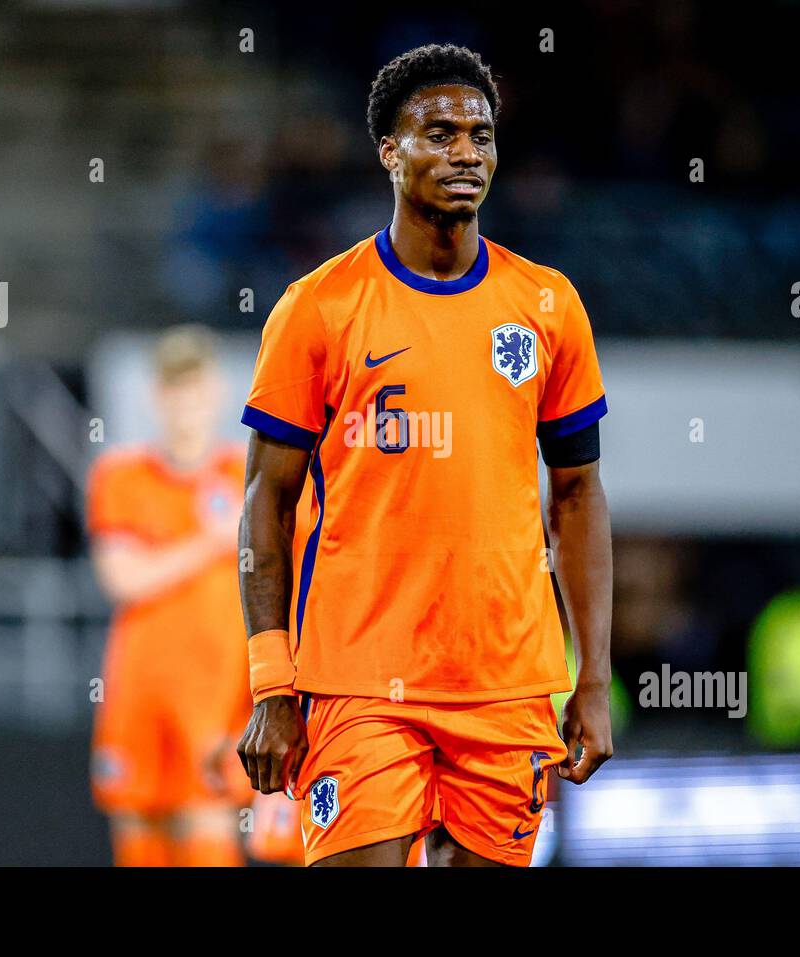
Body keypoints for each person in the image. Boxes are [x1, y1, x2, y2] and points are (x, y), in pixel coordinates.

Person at [236, 44, 614, 867]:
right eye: (438, 133)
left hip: (506, 682)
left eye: (480, 134)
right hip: (359, 678)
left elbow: (579, 494)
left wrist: (592, 679)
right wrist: (271, 683)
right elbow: (267, 498)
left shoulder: (548, 306)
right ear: (389, 151)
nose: (465, 153)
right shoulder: (319, 307)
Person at [87, 325, 251, 866]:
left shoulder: (246, 477)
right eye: (175, 387)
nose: (187, 402)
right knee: (137, 817)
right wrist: (210, 542)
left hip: (218, 688)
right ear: (157, 395)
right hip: (140, 686)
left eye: (196, 387)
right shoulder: (122, 477)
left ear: (217, 393)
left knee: (209, 814)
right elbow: (122, 578)